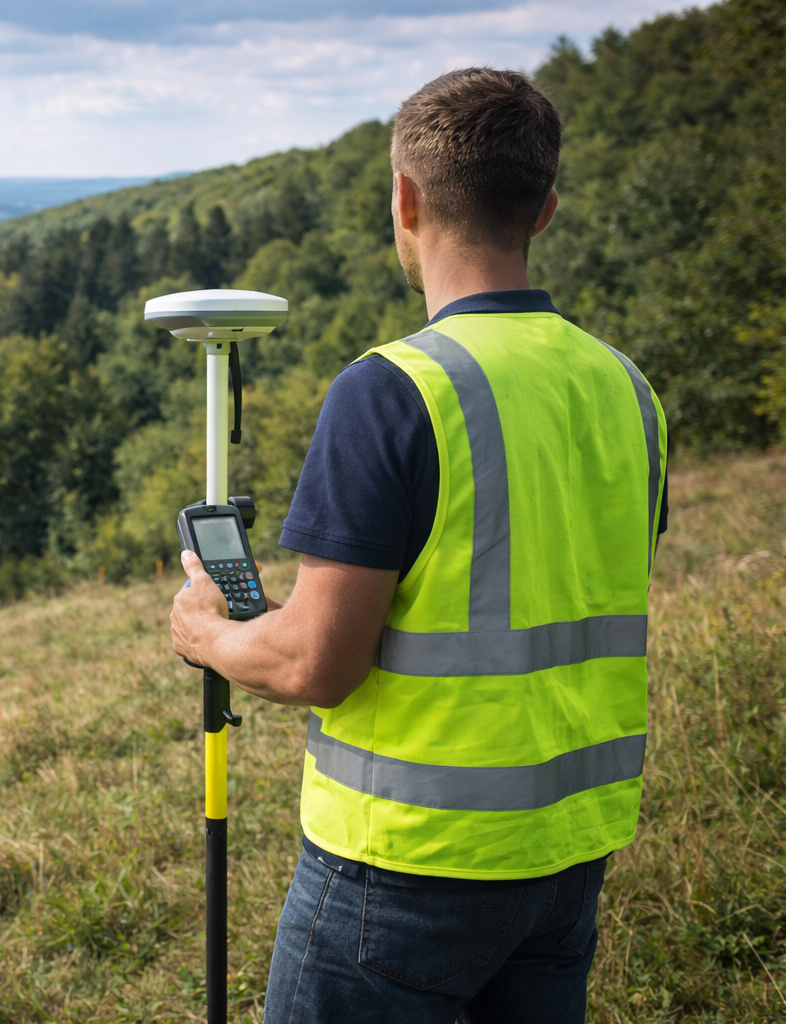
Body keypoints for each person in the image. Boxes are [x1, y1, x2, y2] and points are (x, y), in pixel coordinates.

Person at [170, 67, 668, 1024]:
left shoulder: (392, 390)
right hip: (568, 854)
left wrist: (210, 635)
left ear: (404, 199)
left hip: (406, 866)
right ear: (547, 208)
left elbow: (320, 661)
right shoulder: (628, 390)